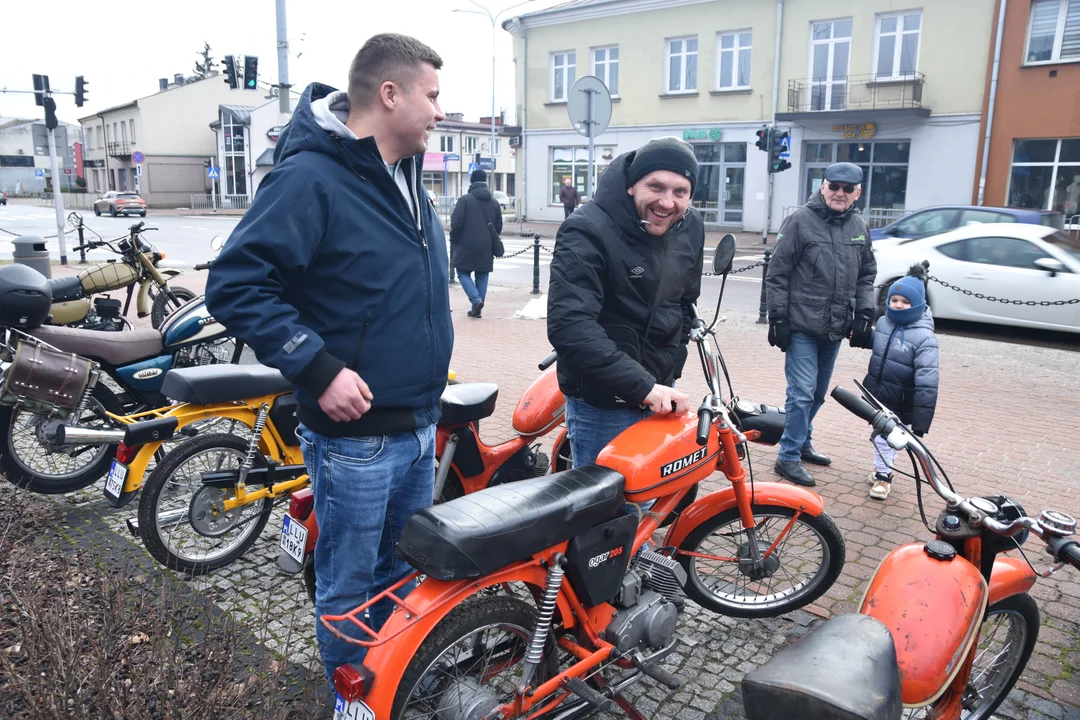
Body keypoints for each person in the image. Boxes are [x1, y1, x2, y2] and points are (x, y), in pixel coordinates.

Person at [204, 33, 452, 681]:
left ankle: (390, 681)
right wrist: (317, 368)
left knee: (401, 572)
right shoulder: (311, 178)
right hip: (355, 442)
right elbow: (235, 284)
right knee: (348, 586)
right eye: (432, 96)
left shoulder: (405, 177)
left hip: (416, 423)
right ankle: (352, 696)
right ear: (390, 94)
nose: (440, 111)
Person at [548, 136, 703, 468]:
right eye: (656, 187)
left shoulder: (691, 228)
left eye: (680, 192)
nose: (667, 202)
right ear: (633, 185)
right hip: (604, 401)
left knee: (646, 497)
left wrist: (671, 368)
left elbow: (685, 302)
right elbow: (571, 326)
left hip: (661, 389)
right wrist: (644, 386)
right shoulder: (586, 228)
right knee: (605, 510)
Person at [765, 162, 877, 487]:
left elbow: (866, 274)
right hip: (800, 324)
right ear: (823, 186)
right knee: (800, 393)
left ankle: (801, 441)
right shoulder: (800, 220)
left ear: (857, 193)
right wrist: (778, 318)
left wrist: (864, 313)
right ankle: (787, 457)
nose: (839, 193)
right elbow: (778, 272)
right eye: (834, 186)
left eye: (847, 189)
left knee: (816, 393)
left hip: (835, 326)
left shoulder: (859, 225)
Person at [861, 269, 939, 500]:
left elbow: (928, 381)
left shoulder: (925, 337)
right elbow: (880, 346)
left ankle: (884, 477)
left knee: (887, 437)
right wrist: (862, 335)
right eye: (894, 300)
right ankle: (881, 470)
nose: (898, 305)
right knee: (880, 435)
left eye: (905, 302)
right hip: (879, 394)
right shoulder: (885, 323)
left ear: (916, 305)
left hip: (902, 400)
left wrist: (921, 419)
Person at [450, 168, 502, 318]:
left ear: (472, 182)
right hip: (486, 246)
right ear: (485, 181)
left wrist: (455, 239)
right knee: (482, 274)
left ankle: (476, 300)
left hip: (466, 244)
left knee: (462, 272)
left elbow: (456, 223)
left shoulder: (465, 200)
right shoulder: (494, 202)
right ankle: (477, 306)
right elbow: (498, 226)